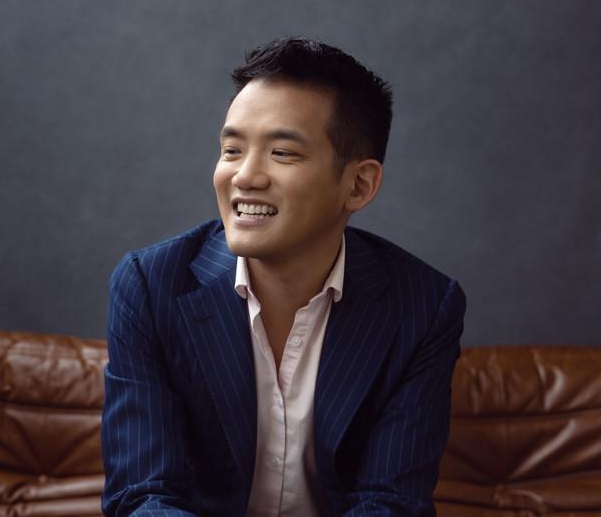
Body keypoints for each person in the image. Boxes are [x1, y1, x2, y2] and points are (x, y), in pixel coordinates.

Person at [101, 37, 466, 517]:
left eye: (283, 153)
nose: (244, 176)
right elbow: (142, 495)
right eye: (232, 150)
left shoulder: (422, 305)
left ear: (359, 185)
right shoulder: (151, 286)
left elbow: (391, 502)